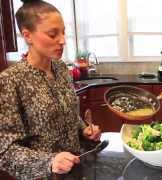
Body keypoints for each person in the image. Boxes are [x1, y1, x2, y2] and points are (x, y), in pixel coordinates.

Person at [0, 0, 101, 179]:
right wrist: (49, 162)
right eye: (53, 34)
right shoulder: (10, 81)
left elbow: (66, 113)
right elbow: (5, 151)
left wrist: (83, 129)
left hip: (76, 170)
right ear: (27, 35)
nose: (62, 40)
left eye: (63, 32)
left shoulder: (61, 68)